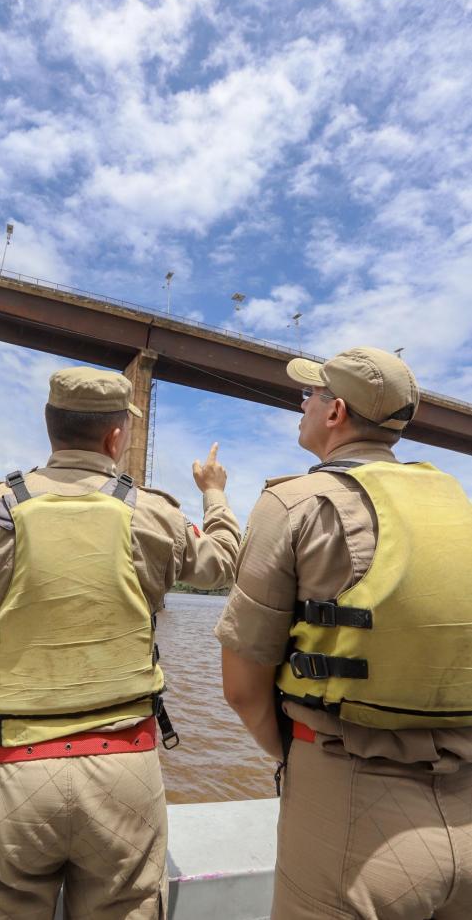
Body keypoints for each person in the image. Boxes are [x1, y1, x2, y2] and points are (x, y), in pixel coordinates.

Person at [0, 365, 240, 919]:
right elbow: (223, 564)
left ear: (51, 429)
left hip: (8, 773)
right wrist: (214, 495)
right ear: (116, 437)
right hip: (126, 777)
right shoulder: (156, 515)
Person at [216, 346, 472, 920]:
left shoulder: (293, 503)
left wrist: (297, 758)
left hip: (351, 804)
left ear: (334, 414)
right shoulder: (460, 504)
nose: (300, 404)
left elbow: (241, 688)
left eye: (308, 394)